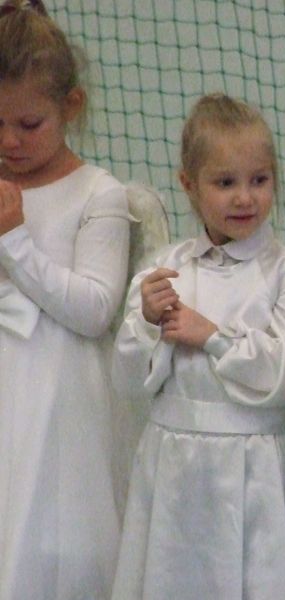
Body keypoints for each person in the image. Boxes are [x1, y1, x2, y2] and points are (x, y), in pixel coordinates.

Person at [111, 93, 285, 599]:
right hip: (173, 469)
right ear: (189, 184)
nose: (245, 198)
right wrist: (146, 324)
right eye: (225, 183)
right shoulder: (164, 270)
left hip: (252, 471)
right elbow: (127, 381)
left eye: (259, 180)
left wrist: (213, 338)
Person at [0, 1, 130, 597]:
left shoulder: (98, 192)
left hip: (60, 398)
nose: (10, 141)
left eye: (30, 125)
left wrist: (14, 240)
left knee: (49, 550)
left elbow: (95, 309)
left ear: (70, 106)